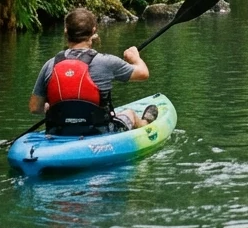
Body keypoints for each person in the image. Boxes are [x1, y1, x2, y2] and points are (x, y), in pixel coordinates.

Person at [29, 8, 159, 136]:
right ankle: (145, 123)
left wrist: (50, 108)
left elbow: (34, 107)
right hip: (98, 131)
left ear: (66, 31)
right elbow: (143, 73)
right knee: (130, 114)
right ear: (93, 31)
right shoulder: (107, 61)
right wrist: (135, 58)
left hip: (58, 131)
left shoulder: (50, 64)